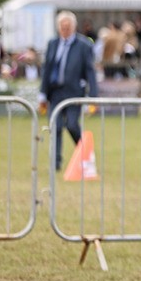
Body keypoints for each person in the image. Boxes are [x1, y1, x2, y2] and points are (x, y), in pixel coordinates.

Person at [39, 11, 99, 171]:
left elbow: (90, 72)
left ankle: (85, 154)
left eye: (68, 27)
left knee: (72, 125)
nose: (64, 30)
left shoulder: (84, 45)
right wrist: (42, 93)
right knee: (55, 127)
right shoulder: (52, 43)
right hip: (55, 92)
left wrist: (92, 96)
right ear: (58, 27)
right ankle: (56, 163)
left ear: (74, 27)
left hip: (74, 93)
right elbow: (47, 68)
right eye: (62, 27)